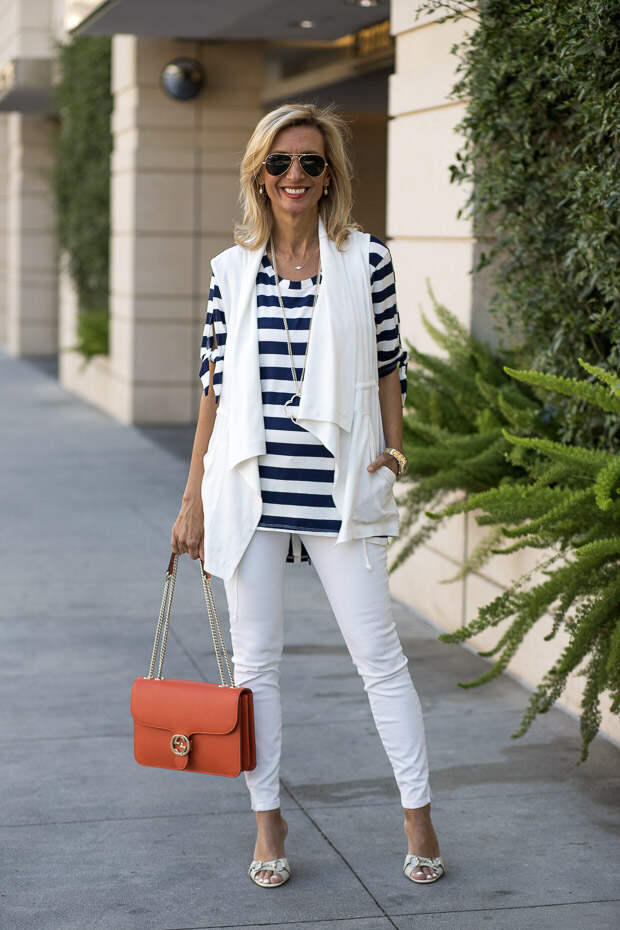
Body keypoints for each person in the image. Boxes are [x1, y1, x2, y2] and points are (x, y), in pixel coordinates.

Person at [171, 103, 444, 889]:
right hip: (250, 487)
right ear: (261, 173)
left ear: (331, 178)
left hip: (340, 488)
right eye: (282, 163)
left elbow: (393, 363)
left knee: (379, 658)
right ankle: (267, 822)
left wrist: (395, 449)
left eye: (311, 163)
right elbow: (212, 391)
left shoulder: (366, 261)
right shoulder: (232, 270)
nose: (296, 176)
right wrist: (192, 495)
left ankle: (417, 811)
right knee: (256, 665)